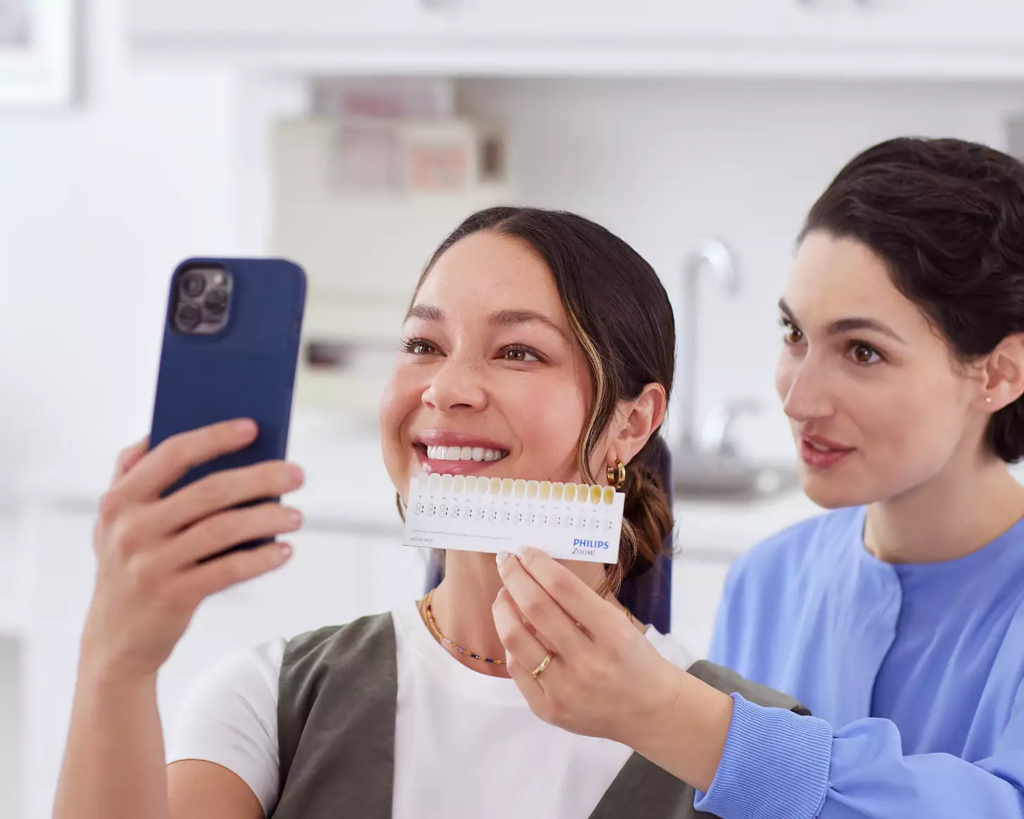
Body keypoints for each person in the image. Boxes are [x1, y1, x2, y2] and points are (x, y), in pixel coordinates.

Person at [53, 207, 805, 819]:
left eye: (517, 352)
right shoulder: (270, 700)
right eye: (422, 343)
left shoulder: (752, 750)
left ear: (633, 422)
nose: (445, 388)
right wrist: (116, 665)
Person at [494, 137, 1024, 818]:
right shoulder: (769, 580)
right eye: (794, 333)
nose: (798, 397)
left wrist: (678, 716)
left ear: (1001, 373)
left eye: (863, 351)